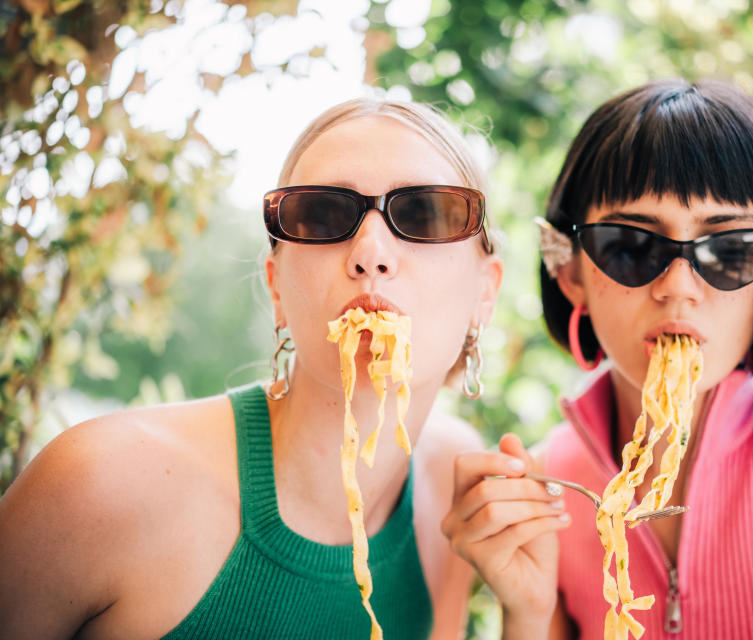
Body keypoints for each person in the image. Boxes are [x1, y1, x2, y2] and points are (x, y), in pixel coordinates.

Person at [442, 79, 753, 639]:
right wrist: (528, 613)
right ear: (570, 272)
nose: (678, 286)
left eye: (729, 249)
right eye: (631, 246)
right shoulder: (545, 491)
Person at [0, 97, 503, 639]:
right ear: (276, 287)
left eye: (424, 214)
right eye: (322, 215)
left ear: (485, 293)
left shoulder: (453, 487)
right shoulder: (98, 485)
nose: (371, 252)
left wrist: (526, 616)